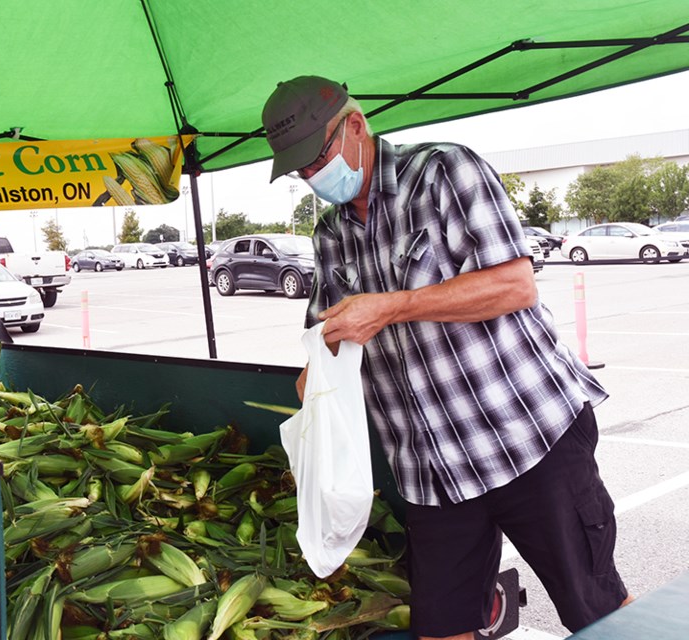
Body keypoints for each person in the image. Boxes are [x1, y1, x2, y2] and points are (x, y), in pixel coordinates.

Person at [262, 75, 631, 640]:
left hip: (528, 438)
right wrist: (321, 373)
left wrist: (392, 307)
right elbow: (328, 336)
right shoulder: (330, 234)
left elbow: (514, 286)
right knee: (441, 629)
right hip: (431, 471)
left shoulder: (443, 172)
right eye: (300, 170)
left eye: (317, 159)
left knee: (596, 610)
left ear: (356, 126)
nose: (313, 177)